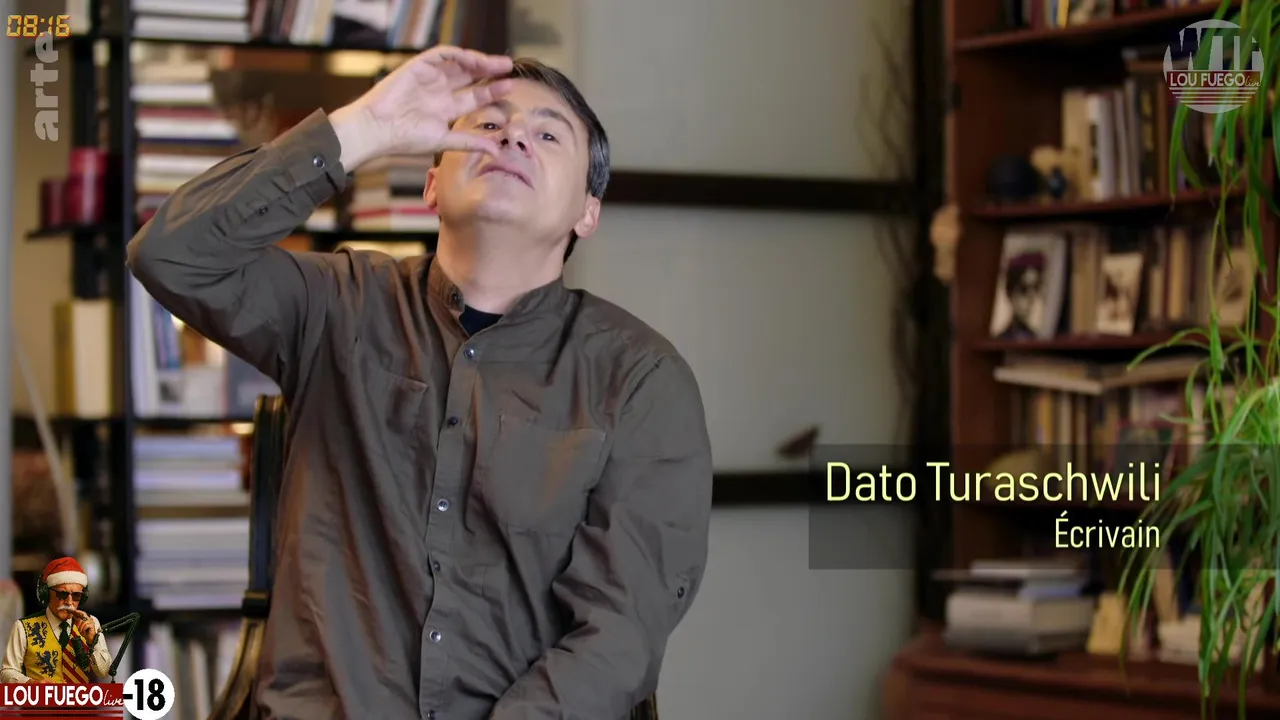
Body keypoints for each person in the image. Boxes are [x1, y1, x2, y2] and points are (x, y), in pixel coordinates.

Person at [126, 47, 713, 719]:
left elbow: (619, 632)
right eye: (487, 124)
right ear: (432, 185)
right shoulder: (339, 305)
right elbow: (171, 255)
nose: (513, 137)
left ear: (588, 211)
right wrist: (365, 127)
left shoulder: (638, 377)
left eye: (548, 135)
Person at [0, 557, 112, 683]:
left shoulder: (91, 623)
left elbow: (104, 672)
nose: (69, 602)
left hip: (80, 696)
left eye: (76, 595)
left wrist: (93, 641)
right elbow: (6, 672)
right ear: (47, 593)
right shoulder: (23, 627)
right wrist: (30, 683)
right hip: (40, 696)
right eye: (62, 594)